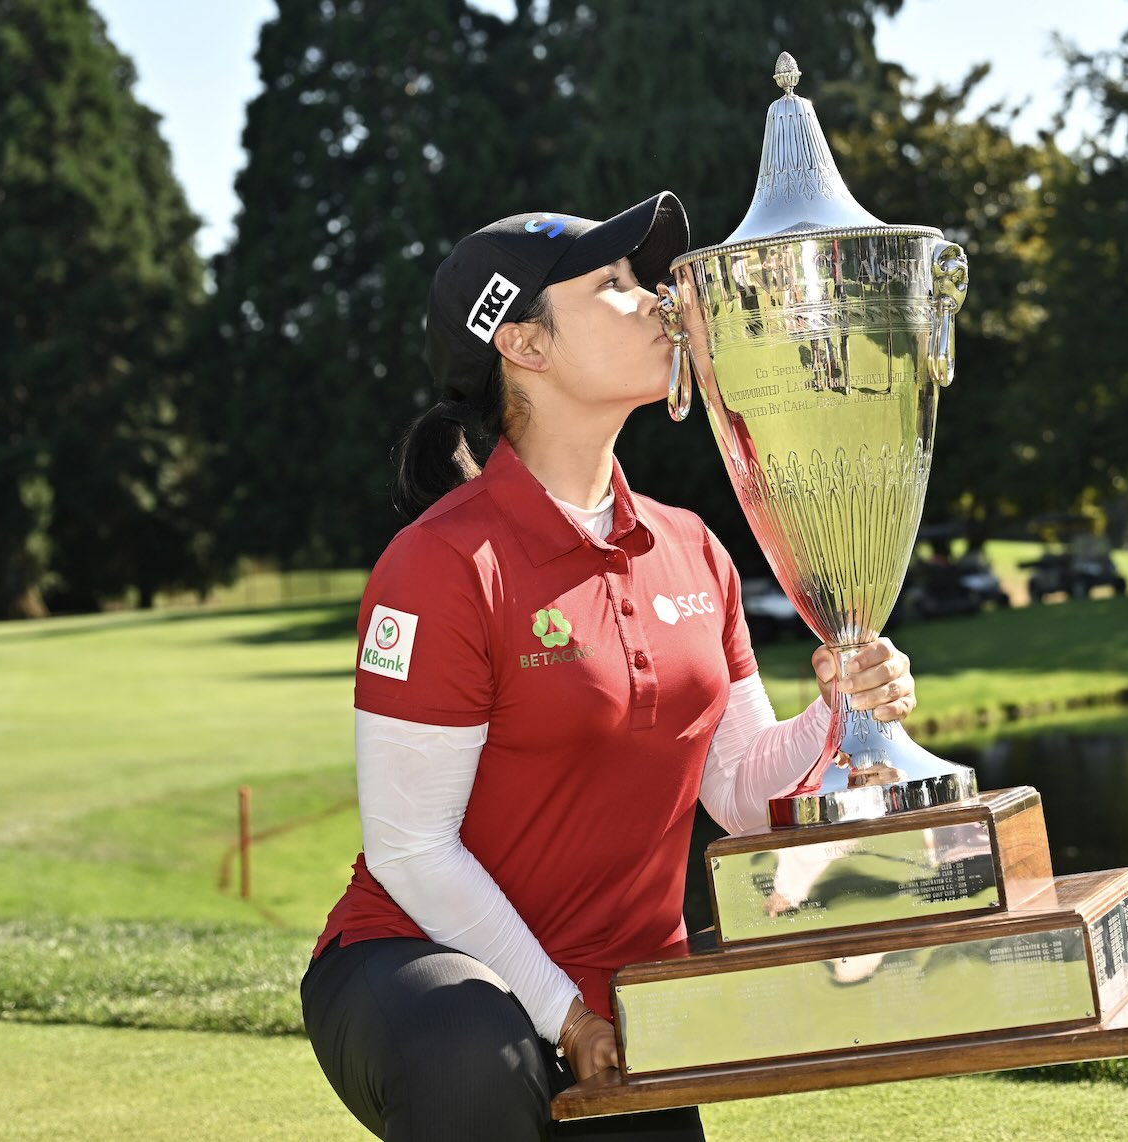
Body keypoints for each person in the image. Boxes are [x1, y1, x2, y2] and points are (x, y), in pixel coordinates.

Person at [298, 192, 921, 1142]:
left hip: (623, 993)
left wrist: (838, 709)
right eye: (616, 284)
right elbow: (410, 850)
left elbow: (743, 792)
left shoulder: (692, 547)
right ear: (526, 346)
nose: (659, 301)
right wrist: (566, 1014)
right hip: (423, 969)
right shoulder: (443, 563)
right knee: (480, 1051)